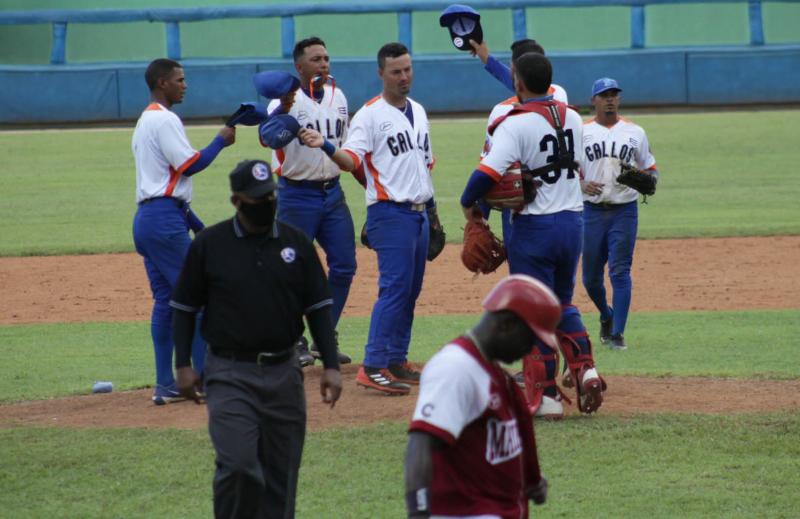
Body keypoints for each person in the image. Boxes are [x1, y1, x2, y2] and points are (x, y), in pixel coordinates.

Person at [169, 159, 343, 519]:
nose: (267, 204)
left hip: (284, 374)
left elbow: (319, 307)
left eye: (270, 196)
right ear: (237, 201)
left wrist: (330, 364)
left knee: (282, 478)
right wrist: (183, 364)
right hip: (230, 373)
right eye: (257, 198)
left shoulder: (296, 244)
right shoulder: (209, 245)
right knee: (239, 467)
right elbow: (184, 307)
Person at [459, 52, 605, 420]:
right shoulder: (572, 115)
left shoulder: (515, 122)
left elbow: (487, 174)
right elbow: (581, 167)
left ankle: (548, 397)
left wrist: (467, 204)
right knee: (562, 303)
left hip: (533, 228)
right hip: (572, 223)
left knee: (529, 309)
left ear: (517, 82)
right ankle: (586, 368)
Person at [299, 42, 438, 395]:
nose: (404, 76)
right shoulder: (369, 115)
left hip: (419, 215)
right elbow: (351, 160)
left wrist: (433, 216)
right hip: (390, 213)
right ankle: (373, 365)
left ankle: (395, 359)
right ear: (381, 74)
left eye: (407, 69)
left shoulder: (419, 111)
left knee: (410, 290)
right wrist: (327, 147)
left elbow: (425, 165)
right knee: (394, 288)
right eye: (396, 71)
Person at [404, 274, 556, 518]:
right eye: (531, 339)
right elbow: (421, 442)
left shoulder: (494, 374)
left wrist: (526, 480)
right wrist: (418, 512)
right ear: (506, 324)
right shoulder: (455, 368)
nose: (530, 349)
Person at [131, 58, 235, 405]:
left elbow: (166, 184)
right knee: (199, 296)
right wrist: (221, 140)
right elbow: (190, 164)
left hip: (149, 220)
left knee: (166, 301)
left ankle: (167, 385)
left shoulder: (145, 120)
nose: (185, 85)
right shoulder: (164, 119)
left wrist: (195, 223)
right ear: (162, 83)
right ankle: (201, 380)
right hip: (163, 221)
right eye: (179, 79)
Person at [262, 37, 355, 368]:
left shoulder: (339, 96)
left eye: (327, 58)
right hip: (296, 195)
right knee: (292, 270)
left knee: (345, 265)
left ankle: (323, 336)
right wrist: (281, 119)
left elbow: (347, 145)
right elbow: (267, 137)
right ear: (299, 67)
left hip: (333, 193)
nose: (324, 64)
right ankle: (294, 339)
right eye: (316, 59)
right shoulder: (285, 101)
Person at [580, 78, 659, 351]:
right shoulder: (580, 132)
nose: (610, 99)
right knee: (590, 278)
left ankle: (617, 335)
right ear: (594, 100)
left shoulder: (635, 132)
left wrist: (647, 179)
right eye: (604, 95)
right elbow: (565, 172)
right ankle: (606, 313)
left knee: (620, 271)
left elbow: (651, 170)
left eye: (614, 94)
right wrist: (580, 184)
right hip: (590, 212)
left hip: (624, 211)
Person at [476, 38, 569, 245]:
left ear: (515, 73)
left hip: (521, 209)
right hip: (563, 207)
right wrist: (487, 59)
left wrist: (479, 219)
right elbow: (529, 88)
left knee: (521, 273)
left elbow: (489, 170)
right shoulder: (560, 97)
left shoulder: (502, 112)